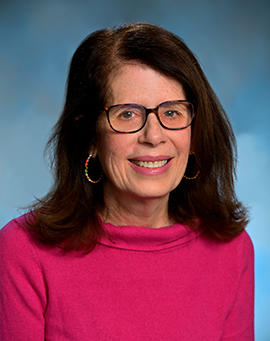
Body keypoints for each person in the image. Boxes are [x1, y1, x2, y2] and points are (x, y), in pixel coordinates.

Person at [0, 23, 254, 340]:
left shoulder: (231, 249)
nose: (154, 136)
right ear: (89, 134)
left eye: (172, 113)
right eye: (128, 114)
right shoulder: (24, 250)